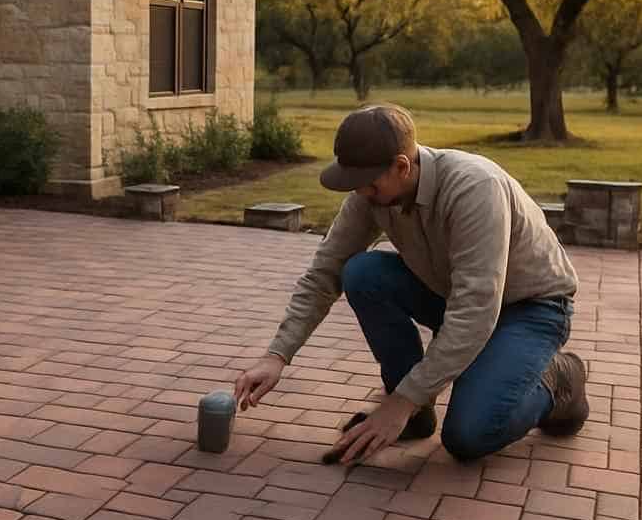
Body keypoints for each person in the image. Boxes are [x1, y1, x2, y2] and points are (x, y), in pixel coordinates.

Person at [232, 103, 588, 465]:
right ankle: (415, 416)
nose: (360, 194)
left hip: (531, 309)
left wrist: (400, 401)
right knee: (361, 273)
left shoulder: (475, 188)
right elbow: (325, 272)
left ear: (402, 166)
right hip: (455, 298)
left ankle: (560, 378)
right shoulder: (371, 194)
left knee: (468, 434)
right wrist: (276, 355)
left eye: (368, 185)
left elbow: (475, 311)